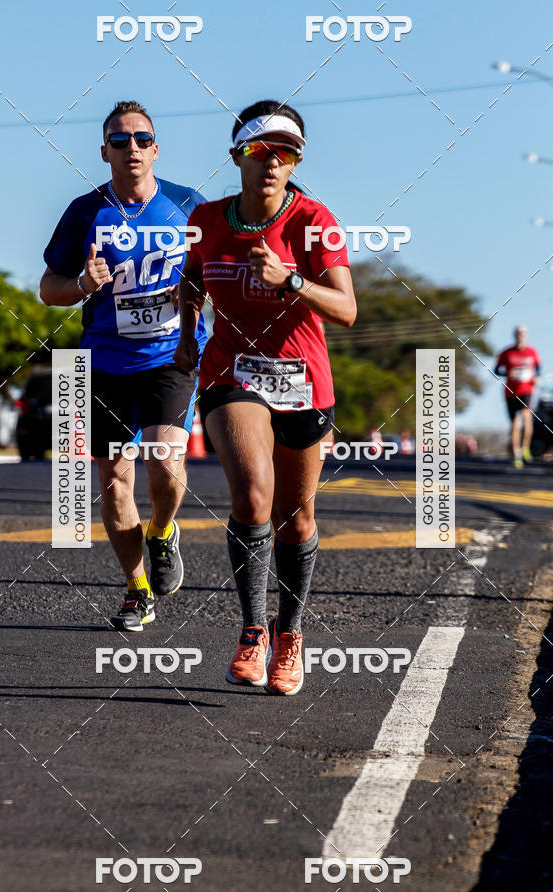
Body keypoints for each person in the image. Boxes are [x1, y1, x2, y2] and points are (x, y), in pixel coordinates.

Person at [174, 99, 356, 695]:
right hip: (232, 374)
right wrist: (185, 337)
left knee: (295, 518)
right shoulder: (207, 218)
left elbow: (347, 310)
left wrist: (292, 280)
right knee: (253, 497)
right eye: (261, 151)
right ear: (237, 156)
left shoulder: (313, 221)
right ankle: (252, 630)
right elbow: (193, 279)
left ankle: (290, 634)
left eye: (287, 153)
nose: (274, 162)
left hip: (304, 381)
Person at [40, 100, 207, 630]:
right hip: (106, 359)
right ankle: (138, 590)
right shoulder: (85, 211)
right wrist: (83, 285)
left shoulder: (188, 205)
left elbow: (214, 279)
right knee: (114, 481)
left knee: (164, 462)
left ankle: (162, 532)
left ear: (155, 148)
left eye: (141, 138)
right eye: (119, 140)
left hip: (170, 355)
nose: (130, 147)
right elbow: (49, 290)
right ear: (105, 151)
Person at [495, 325, 540, 468]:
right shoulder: (506, 353)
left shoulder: (532, 352)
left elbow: (538, 368)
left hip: (526, 389)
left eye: (522, 333)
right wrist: (507, 374)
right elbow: (497, 370)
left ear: (525, 335)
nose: (520, 335)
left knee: (527, 417)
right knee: (514, 423)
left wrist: (536, 378)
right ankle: (516, 454)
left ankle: (525, 447)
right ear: (514, 335)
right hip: (510, 391)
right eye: (517, 333)